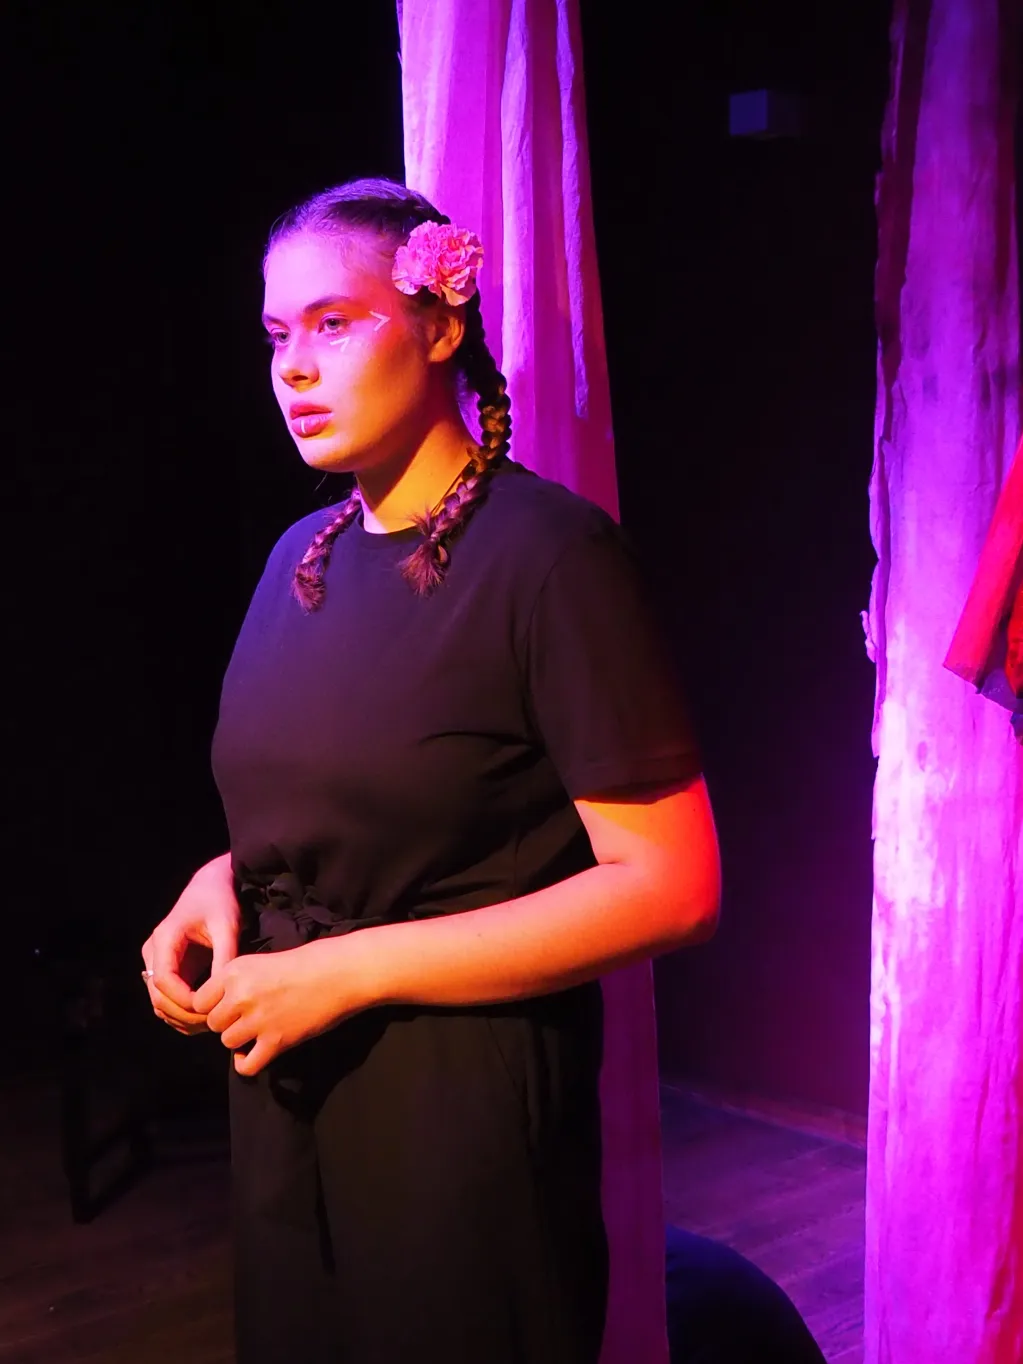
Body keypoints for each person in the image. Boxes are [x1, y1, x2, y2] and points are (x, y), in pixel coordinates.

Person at [141, 177, 721, 1364]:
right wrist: (220, 880)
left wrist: (345, 970)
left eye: (334, 323)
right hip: (288, 1093)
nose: (294, 368)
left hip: (455, 1115)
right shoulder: (296, 559)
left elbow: (672, 883)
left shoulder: (549, 558)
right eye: (277, 335)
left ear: (441, 324)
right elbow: (362, 795)